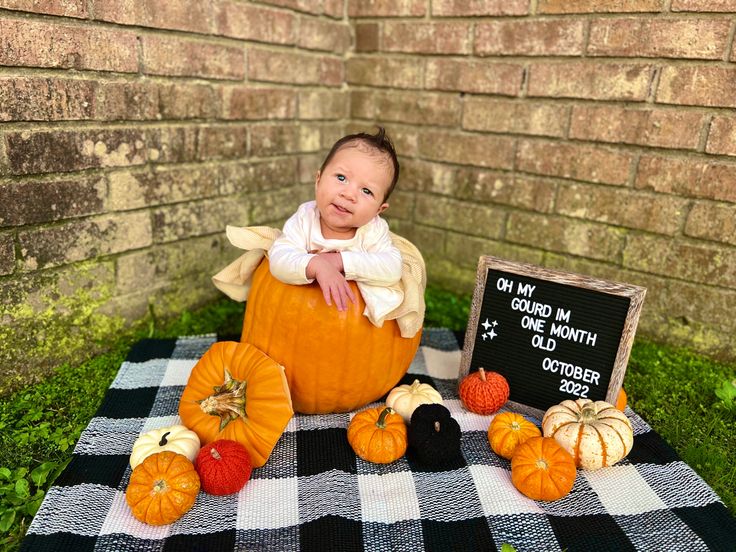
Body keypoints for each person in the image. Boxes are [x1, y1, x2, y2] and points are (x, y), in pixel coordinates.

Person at [268, 127, 403, 320]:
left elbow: (392, 268)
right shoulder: (305, 218)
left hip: (352, 329)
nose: (348, 194)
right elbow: (279, 259)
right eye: (341, 178)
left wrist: (338, 261)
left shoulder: (372, 230)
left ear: (378, 210)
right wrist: (317, 265)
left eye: (366, 191)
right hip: (296, 317)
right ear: (318, 180)